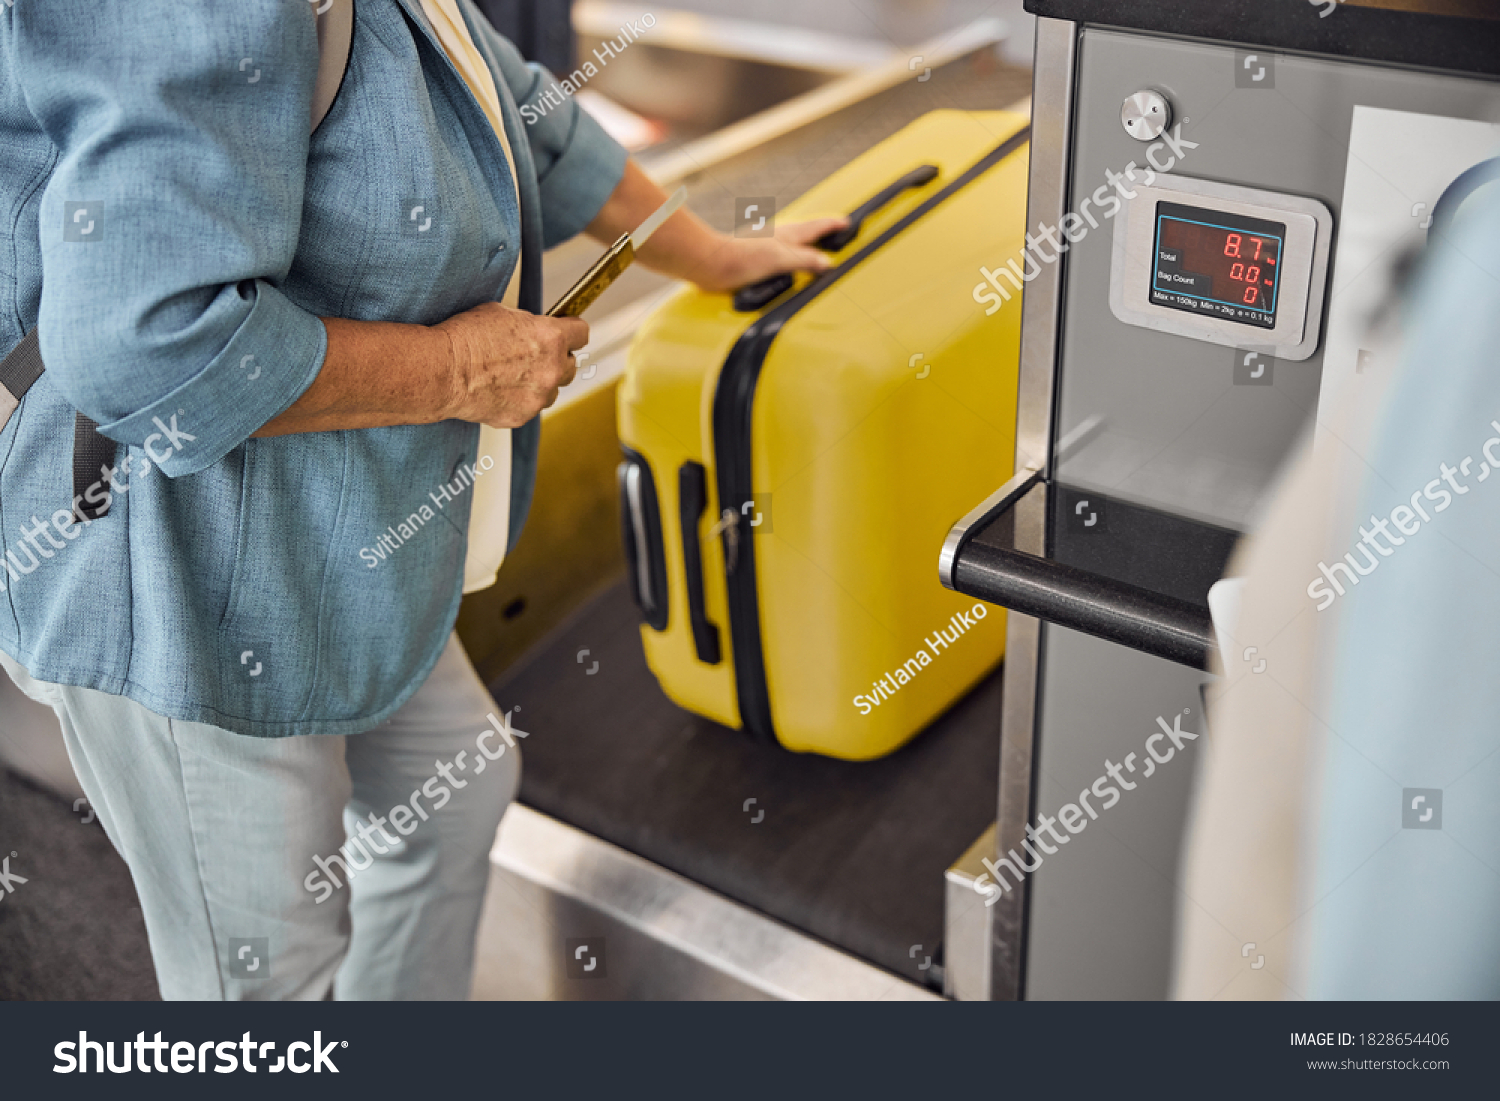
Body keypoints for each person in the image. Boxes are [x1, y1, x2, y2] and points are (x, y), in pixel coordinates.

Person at [0, 0, 843, 1000]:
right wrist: (453, 372)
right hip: (186, 571)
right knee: (264, 984)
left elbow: (519, 107)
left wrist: (712, 252)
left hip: (336, 525)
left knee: (455, 793)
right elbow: (148, 345)